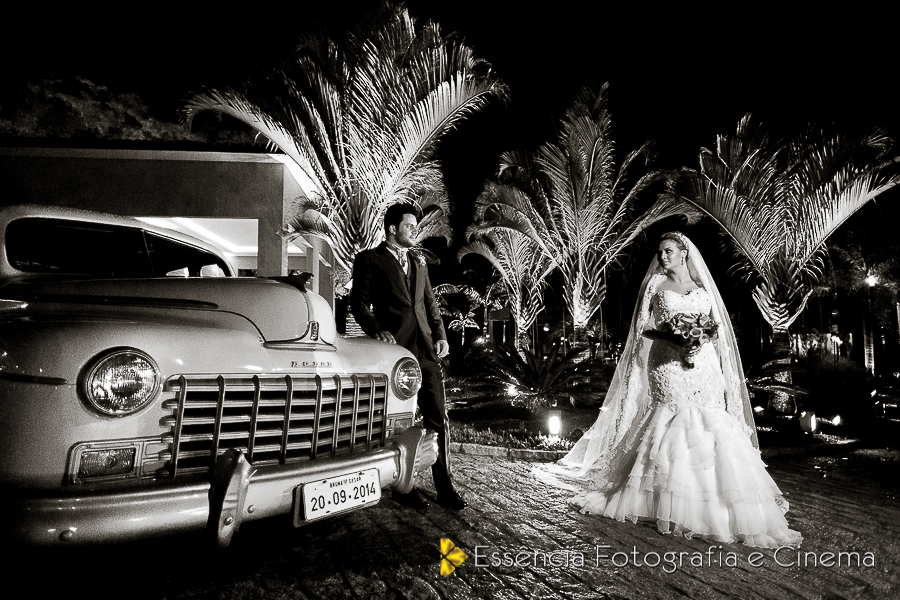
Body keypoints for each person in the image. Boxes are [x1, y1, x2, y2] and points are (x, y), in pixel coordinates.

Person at [548, 232, 801, 548]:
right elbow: (642, 328)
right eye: (660, 252)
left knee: (709, 423)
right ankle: (660, 499)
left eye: (668, 251)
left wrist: (700, 338)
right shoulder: (655, 285)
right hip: (666, 363)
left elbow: (716, 327)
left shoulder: (703, 288)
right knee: (668, 419)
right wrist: (672, 337)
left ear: (684, 253)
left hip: (703, 366)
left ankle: (718, 503)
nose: (662, 256)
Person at [349, 203, 468, 511]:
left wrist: (440, 335)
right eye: (409, 226)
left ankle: (445, 488)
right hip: (395, 354)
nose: (415, 231)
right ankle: (405, 486)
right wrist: (377, 330)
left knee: (438, 418)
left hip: (426, 352)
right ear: (392, 229)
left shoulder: (419, 261)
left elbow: (429, 303)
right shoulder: (369, 259)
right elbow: (358, 302)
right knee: (397, 423)